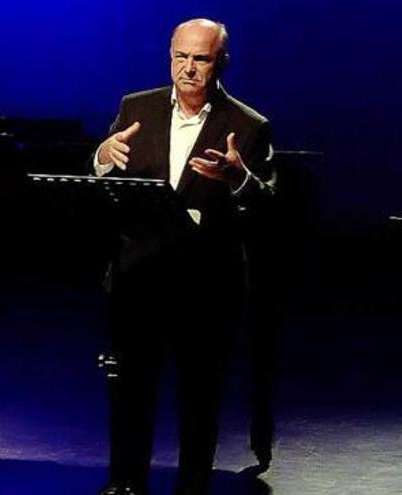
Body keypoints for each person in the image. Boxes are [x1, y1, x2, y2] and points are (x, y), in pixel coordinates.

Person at [92, 19, 276, 495]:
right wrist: (102, 155)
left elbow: (271, 205)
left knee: (199, 397)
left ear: (221, 63)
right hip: (141, 279)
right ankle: (125, 483)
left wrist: (238, 178)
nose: (188, 69)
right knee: (131, 391)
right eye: (181, 57)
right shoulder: (137, 107)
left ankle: (192, 486)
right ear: (169, 55)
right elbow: (108, 176)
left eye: (201, 59)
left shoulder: (248, 125)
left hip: (206, 286)